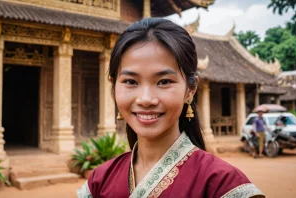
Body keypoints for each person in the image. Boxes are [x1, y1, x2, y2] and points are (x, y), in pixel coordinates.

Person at [77, 18, 264, 198]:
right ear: (113, 86)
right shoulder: (98, 182)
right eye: (131, 81)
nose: (146, 99)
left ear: (190, 89)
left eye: (164, 81)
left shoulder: (222, 185)